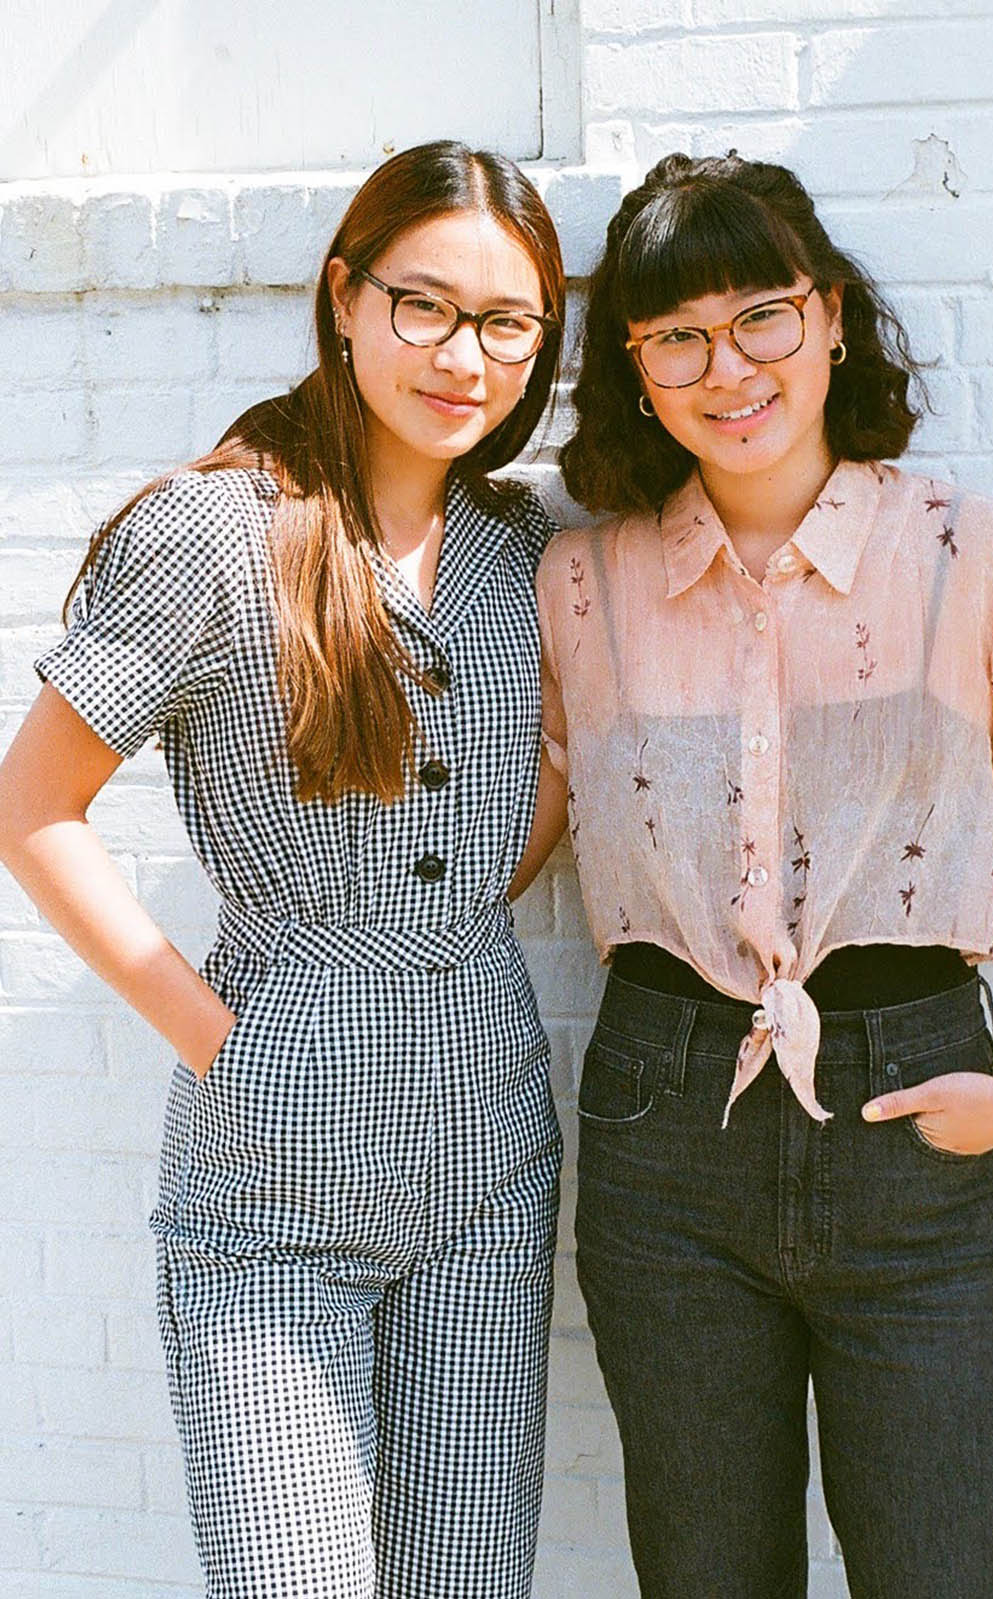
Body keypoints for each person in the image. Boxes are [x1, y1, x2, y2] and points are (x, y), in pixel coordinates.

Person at [517, 152, 993, 1598]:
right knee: (707, 1577)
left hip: (918, 1125)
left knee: (948, 1571)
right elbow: (511, 845)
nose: (727, 369)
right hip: (666, 1134)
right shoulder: (584, 585)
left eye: (762, 317)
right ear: (635, 371)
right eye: (677, 337)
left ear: (832, 316)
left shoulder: (973, 555)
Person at [0, 141, 566, 1599]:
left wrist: (450, 903)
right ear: (343, 297)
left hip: (487, 1159)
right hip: (273, 1178)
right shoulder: (210, 533)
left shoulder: (525, 549)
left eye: (508, 323)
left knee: (466, 1582)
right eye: (424, 306)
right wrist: (222, 1040)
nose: (464, 356)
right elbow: (34, 807)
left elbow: (548, 776)